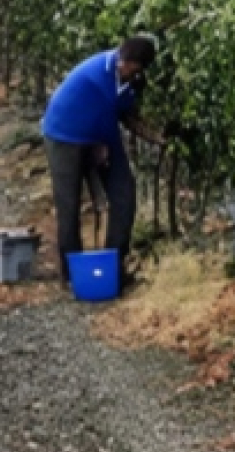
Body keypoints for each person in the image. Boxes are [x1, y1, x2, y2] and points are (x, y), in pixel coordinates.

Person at [41, 36, 158, 289]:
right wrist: (101, 147)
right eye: (122, 61)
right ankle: (71, 274)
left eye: (129, 65)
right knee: (69, 203)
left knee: (124, 194)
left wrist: (159, 138)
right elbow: (108, 120)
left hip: (100, 136)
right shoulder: (99, 72)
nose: (122, 66)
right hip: (65, 135)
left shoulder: (133, 82)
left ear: (140, 67)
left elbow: (127, 116)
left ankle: (114, 265)